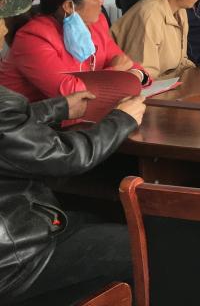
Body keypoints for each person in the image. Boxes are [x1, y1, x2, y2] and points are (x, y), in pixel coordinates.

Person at [0, 46, 145, 303]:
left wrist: (59, 108)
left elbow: (8, 124)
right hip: (18, 261)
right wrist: (122, 119)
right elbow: (66, 156)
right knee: (143, 248)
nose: (3, 33)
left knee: (97, 216)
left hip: (15, 237)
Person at [0, 0, 147, 101]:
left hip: (82, 111)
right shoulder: (33, 38)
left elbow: (135, 68)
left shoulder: (96, 24)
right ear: (69, 6)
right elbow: (71, 95)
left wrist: (136, 75)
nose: (101, 0)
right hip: (29, 116)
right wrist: (117, 73)